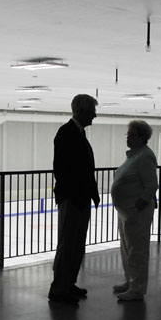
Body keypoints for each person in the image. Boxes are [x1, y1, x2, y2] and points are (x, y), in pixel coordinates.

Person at [49, 94, 100, 305]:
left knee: (77, 244)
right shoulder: (66, 133)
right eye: (92, 112)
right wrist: (74, 193)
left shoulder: (78, 133)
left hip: (79, 197)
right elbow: (61, 169)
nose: (95, 116)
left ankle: (68, 283)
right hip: (72, 198)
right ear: (81, 112)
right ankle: (59, 289)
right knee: (68, 244)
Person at [110, 120, 158, 301]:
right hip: (126, 212)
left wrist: (138, 205)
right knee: (127, 248)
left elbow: (151, 185)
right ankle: (130, 281)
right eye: (127, 135)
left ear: (142, 138)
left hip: (136, 212)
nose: (128, 138)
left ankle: (137, 288)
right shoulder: (134, 155)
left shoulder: (145, 156)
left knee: (137, 249)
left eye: (132, 135)